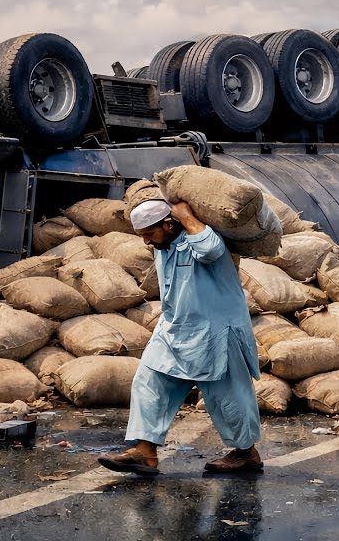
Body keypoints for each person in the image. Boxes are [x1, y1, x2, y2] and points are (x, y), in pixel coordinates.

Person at [98, 198, 263, 476]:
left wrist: (187, 216)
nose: (146, 243)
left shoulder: (201, 240)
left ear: (169, 223)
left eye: (150, 234)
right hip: (173, 328)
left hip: (216, 331)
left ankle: (246, 453)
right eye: (142, 236)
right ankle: (145, 451)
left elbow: (211, 249)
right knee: (148, 383)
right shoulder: (164, 246)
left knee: (228, 397)